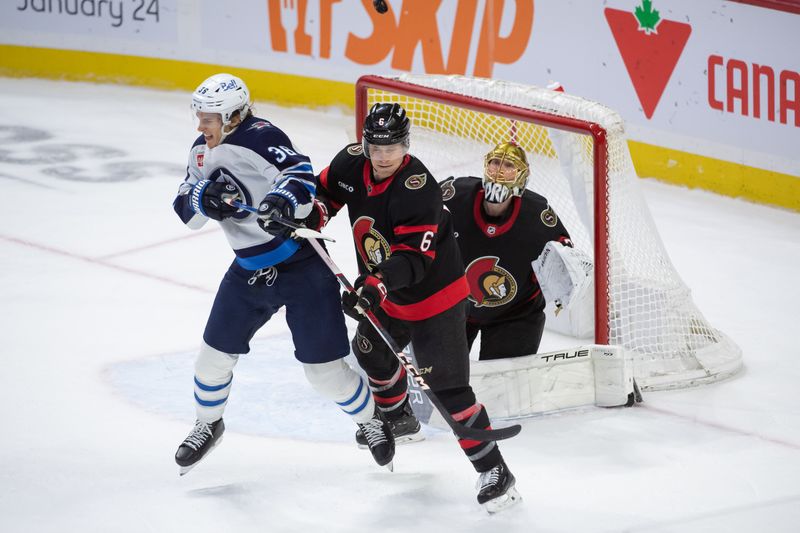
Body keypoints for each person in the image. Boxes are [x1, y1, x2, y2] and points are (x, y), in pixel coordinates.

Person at [171, 73, 394, 474]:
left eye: (209, 118)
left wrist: (280, 201)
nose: (200, 126)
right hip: (249, 271)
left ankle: (370, 421)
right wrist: (203, 197)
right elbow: (184, 202)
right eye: (200, 116)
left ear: (235, 115)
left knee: (324, 375)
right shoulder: (201, 151)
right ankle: (208, 424)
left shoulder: (260, 136)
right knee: (210, 360)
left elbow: (300, 174)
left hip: (302, 266)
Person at [313, 103, 521, 512]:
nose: (383, 156)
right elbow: (323, 194)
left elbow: (413, 258)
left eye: (392, 148)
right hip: (386, 293)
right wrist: (309, 213)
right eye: (376, 147)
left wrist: (373, 287)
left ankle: (495, 471)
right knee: (370, 352)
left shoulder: (417, 188)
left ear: (406, 145)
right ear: (365, 143)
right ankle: (399, 418)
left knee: (449, 389)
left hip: (434, 300)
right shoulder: (352, 163)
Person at [441, 141, 593, 360]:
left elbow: (565, 267)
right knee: (436, 381)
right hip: (452, 306)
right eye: (494, 163)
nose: (499, 171)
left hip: (514, 315)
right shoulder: (453, 196)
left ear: (522, 176)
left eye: (509, 166)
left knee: (504, 387)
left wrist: (567, 278)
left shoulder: (539, 218)